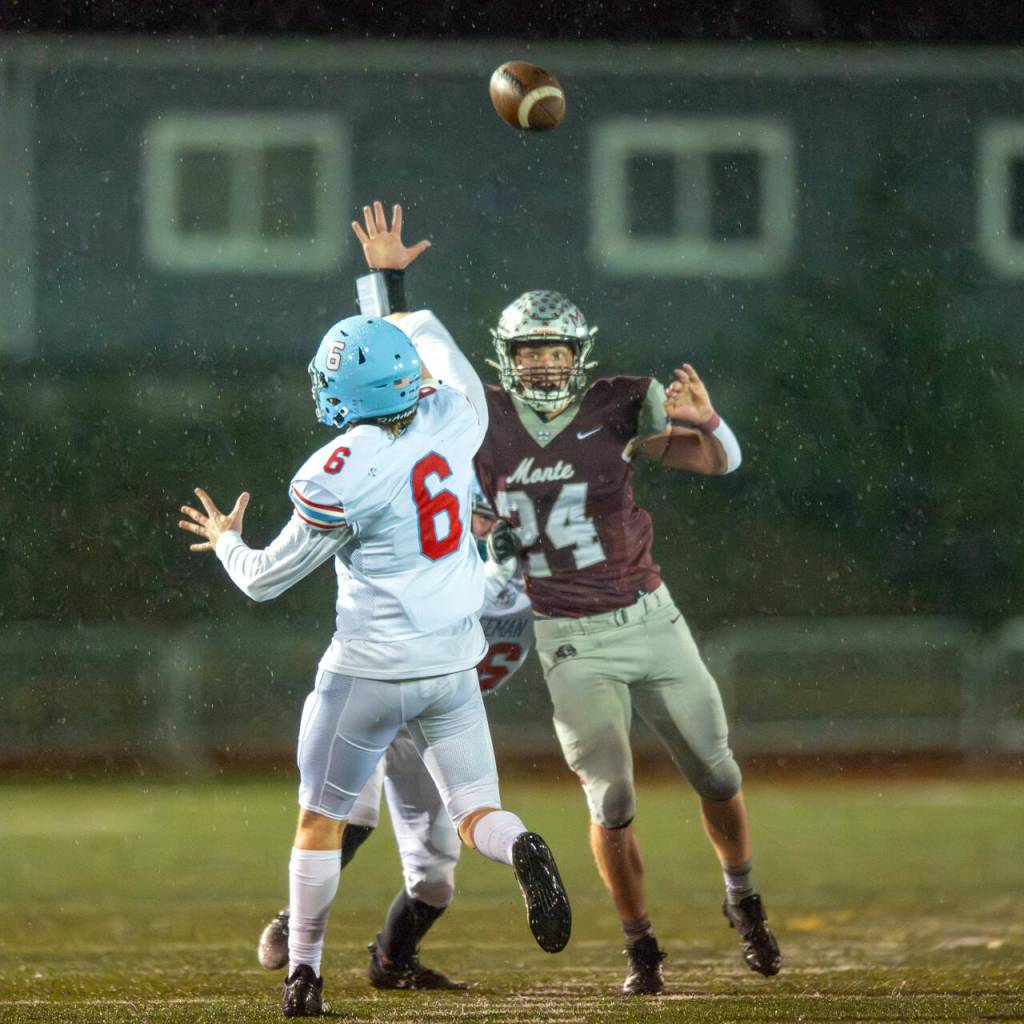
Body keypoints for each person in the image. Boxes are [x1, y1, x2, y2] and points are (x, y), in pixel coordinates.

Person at [177, 202, 569, 1018]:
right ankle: (522, 844)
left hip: (369, 672)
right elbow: (429, 346)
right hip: (451, 668)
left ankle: (305, 974)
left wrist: (224, 541)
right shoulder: (455, 416)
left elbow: (264, 581)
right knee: (477, 814)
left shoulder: (340, 466)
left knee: (319, 822)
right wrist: (391, 284)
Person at [468, 287, 783, 994]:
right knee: (610, 801)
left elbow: (718, 461)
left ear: (577, 357)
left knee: (718, 772)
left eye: (555, 351)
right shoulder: (476, 419)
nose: (545, 365)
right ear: (506, 358)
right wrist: (483, 542)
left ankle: (743, 896)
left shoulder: (617, 405)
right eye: (530, 352)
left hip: (650, 618)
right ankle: (641, 947)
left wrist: (712, 424)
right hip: (568, 635)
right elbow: (461, 514)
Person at [255, 504, 535, 990]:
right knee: (349, 817)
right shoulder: (427, 550)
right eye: (475, 512)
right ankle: (296, 925)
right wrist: (494, 570)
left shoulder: (511, 584)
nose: (483, 524)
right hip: (370, 692)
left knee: (435, 880)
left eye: (488, 517)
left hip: (432, 721)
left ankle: (392, 959)